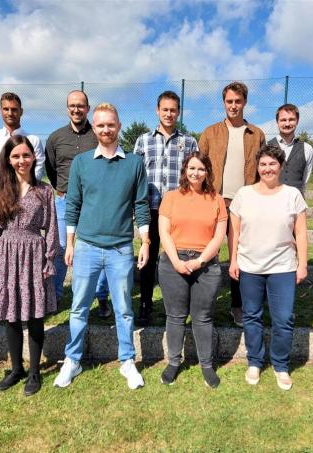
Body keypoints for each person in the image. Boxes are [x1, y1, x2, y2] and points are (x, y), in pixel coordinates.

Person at [53, 103, 151, 390]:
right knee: (79, 307)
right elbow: (73, 204)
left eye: (111, 124)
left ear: (119, 126)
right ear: (93, 128)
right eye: (100, 125)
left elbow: (141, 204)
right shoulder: (82, 163)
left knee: (123, 308)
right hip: (87, 247)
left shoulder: (134, 163)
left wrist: (144, 241)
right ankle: (72, 359)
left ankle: (127, 361)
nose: (106, 129)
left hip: (120, 248)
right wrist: (70, 243)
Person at [0, 135, 59, 396]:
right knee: (11, 315)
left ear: (33, 157)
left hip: (33, 254)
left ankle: (35, 372)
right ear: (8, 159)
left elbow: (51, 229)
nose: (21, 160)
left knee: (35, 315)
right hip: (6, 255)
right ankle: (16, 369)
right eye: (16, 156)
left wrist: (49, 259)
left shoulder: (44, 191)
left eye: (26, 155)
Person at [228, 144, 308, 390]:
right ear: (257, 167)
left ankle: (281, 365)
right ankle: (254, 361)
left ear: (281, 166)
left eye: (272, 164)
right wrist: (233, 260)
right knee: (252, 316)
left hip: (283, 267)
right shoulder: (243, 194)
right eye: (263, 164)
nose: (267, 168)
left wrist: (302, 264)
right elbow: (234, 232)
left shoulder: (292, 195)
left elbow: (301, 232)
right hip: (250, 266)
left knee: (283, 319)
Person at [198, 81, 266, 327]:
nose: (234, 106)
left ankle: (237, 306)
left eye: (238, 101)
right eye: (229, 101)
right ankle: (203, 306)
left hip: (244, 202)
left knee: (240, 255)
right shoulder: (209, 132)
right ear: (223, 103)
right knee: (207, 254)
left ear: (245, 103)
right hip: (214, 201)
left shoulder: (256, 134)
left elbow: (262, 170)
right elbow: (199, 168)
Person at [157, 152, 227, 388]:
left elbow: (219, 236)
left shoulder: (216, 199)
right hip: (173, 262)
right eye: (192, 168)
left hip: (205, 265)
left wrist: (200, 261)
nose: (196, 173)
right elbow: (164, 232)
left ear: (207, 172)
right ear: (185, 170)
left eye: (201, 169)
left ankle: (206, 365)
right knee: (175, 316)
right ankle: (174, 361)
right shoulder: (171, 197)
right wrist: (177, 262)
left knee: (203, 317)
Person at [0, 92, 46, 320]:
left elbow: (36, 170)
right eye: (6, 109)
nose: (10, 113)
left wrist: (21, 194)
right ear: (1, 111)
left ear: (21, 111)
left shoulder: (33, 139)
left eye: (14, 109)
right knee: (0, 248)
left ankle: (28, 302)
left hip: (27, 199)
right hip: (1, 198)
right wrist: (1, 193)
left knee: (24, 256)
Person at [134, 90, 199, 327]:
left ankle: (181, 307)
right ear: (157, 110)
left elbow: (194, 175)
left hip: (178, 211)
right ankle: (146, 304)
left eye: (173, 110)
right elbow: (136, 175)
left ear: (178, 112)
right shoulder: (143, 140)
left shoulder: (189, 142)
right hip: (150, 209)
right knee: (149, 259)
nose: (169, 114)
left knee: (180, 257)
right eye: (165, 109)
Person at [44, 90, 111, 319]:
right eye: (72, 105)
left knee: (100, 247)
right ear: (67, 108)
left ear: (88, 108)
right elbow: (52, 170)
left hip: (94, 203)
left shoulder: (98, 135)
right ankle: (55, 295)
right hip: (64, 201)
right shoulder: (55, 138)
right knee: (61, 248)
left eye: (80, 105)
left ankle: (101, 297)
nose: (76, 109)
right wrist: (63, 189)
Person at [267, 103, 313, 195]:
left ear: (297, 121)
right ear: (277, 121)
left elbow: (305, 180)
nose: (287, 123)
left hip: (296, 204)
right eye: (283, 120)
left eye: (291, 119)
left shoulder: (307, 149)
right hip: (270, 202)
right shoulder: (266, 147)